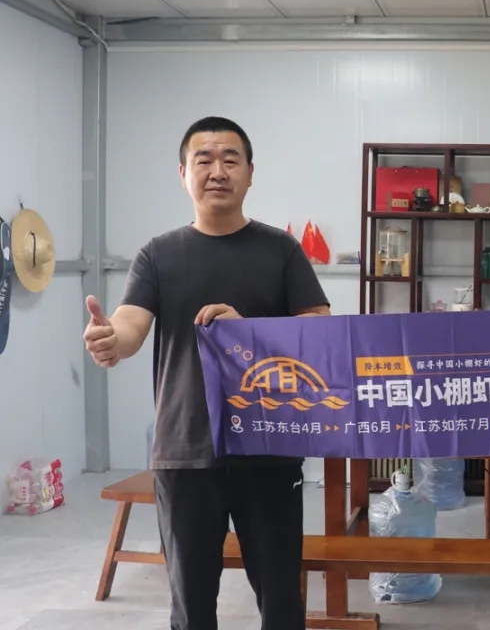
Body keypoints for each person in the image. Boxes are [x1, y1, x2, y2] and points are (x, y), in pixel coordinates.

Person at [82, 117, 330, 630]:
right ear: (183, 174)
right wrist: (111, 340)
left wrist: (249, 334)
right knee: (191, 606)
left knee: (282, 600)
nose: (218, 171)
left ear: (250, 173)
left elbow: (318, 330)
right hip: (184, 450)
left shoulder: (281, 250)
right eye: (204, 159)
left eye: (230, 159)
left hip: (268, 447)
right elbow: (130, 323)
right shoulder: (158, 254)